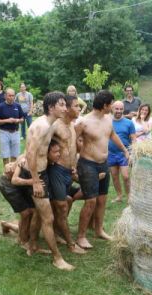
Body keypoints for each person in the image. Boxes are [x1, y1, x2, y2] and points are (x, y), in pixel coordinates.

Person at [25, 92, 75, 270]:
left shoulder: (51, 124)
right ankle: (57, 258)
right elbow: (30, 153)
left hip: (41, 172)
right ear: (51, 107)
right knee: (48, 217)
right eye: (61, 104)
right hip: (35, 174)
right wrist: (36, 181)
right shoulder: (43, 126)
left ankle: (33, 245)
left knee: (39, 214)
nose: (65, 107)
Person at [75, 90, 130, 249]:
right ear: (105, 105)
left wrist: (124, 150)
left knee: (102, 199)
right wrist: (73, 163)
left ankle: (99, 230)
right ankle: (81, 236)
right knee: (90, 200)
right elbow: (72, 142)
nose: (113, 107)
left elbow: (112, 135)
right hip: (88, 164)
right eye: (111, 104)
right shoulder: (84, 122)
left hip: (103, 163)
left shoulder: (108, 120)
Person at [46, 95, 86, 254]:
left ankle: (56, 232)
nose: (79, 109)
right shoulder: (56, 125)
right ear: (67, 108)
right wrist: (20, 159)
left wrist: (74, 166)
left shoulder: (72, 125)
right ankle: (70, 244)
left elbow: (72, 148)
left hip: (69, 172)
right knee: (62, 206)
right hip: (56, 170)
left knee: (69, 201)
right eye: (76, 106)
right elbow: (39, 142)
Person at [0, 155, 35, 251]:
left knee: (31, 212)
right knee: (25, 213)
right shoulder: (26, 157)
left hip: (22, 184)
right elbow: (14, 179)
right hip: (8, 184)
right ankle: (23, 241)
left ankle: (6, 225)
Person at [108, 101, 135, 203]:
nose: (119, 111)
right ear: (112, 108)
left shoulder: (129, 123)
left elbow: (133, 139)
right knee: (114, 176)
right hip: (110, 153)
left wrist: (132, 153)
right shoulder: (107, 121)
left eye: (121, 109)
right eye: (117, 109)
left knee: (126, 176)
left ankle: (129, 196)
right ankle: (119, 196)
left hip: (124, 153)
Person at [0, 88, 24, 165]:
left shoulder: (17, 106)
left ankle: (12, 172)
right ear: (5, 96)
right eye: (9, 95)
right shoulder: (1, 106)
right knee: (5, 155)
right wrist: (7, 120)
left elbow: (22, 118)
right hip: (4, 132)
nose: (11, 97)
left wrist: (17, 120)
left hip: (15, 132)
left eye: (13, 96)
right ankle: (6, 171)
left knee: (15, 154)